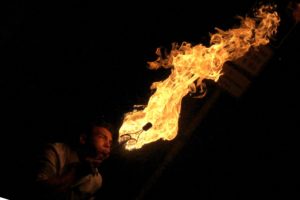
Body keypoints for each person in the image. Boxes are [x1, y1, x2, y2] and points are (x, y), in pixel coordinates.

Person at [34, 119, 114, 200]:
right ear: (83, 139)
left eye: (110, 142)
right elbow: (38, 191)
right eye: (102, 137)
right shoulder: (55, 151)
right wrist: (76, 173)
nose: (108, 145)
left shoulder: (97, 180)